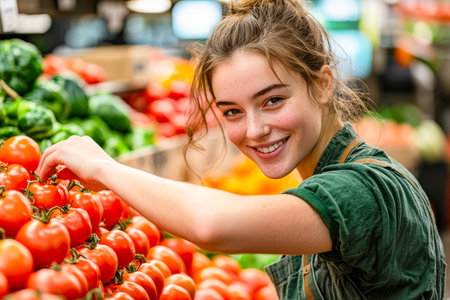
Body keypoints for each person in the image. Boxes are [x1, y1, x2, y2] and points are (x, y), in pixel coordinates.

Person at [37, 0, 446, 298]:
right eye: (231, 111)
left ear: (323, 83)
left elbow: (215, 227)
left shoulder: (363, 191)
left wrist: (105, 168)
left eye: (273, 100)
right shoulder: (337, 175)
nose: (255, 130)